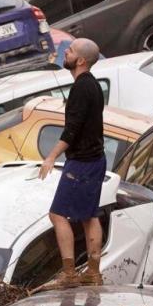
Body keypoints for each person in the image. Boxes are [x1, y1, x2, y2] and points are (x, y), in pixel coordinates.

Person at [39, 38, 105, 287]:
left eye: (70, 50)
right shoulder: (94, 86)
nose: (64, 51)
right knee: (89, 215)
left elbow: (71, 131)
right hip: (96, 159)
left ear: (80, 60)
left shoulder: (81, 88)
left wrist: (51, 157)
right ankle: (93, 272)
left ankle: (69, 275)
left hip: (82, 162)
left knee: (57, 214)